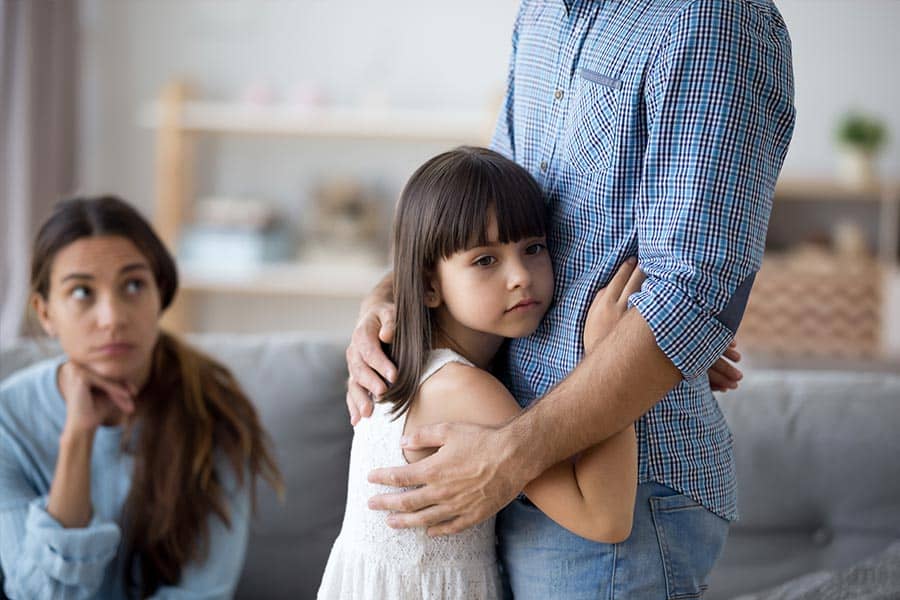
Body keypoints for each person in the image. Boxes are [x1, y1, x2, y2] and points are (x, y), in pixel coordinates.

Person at [346, 1, 795, 598]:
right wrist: (383, 301)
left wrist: (511, 453)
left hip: (620, 489)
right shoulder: (541, 16)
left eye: (529, 256)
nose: (519, 277)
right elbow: (491, 211)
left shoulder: (710, 18)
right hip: (515, 467)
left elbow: (692, 292)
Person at [320, 146, 645, 599]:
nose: (520, 277)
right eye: (485, 260)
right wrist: (612, 356)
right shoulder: (463, 388)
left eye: (533, 248)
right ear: (429, 285)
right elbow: (604, 518)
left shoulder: (419, 362)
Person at [0, 196, 283, 599]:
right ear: (45, 313)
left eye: (133, 285)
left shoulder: (215, 409)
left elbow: (202, 594)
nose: (112, 317)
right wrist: (78, 436)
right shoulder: (7, 421)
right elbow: (38, 594)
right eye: (82, 292)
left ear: (160, 292)